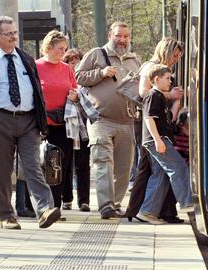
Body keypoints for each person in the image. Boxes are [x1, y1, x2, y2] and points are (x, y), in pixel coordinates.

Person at [0, 16, 60, 229]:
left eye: (15, 33)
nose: (14, 37)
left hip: (28, 121)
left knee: (33, 166)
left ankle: (44, 210)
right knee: (2, 170)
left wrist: (39, 120)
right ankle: (6, 216)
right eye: (8, 34)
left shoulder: (26, 59)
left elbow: (36, 92)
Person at [75, 22, 140, 219]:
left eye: (126, 36)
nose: (122, 40)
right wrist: (101, 73)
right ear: (111, 34)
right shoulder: (96, 54)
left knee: (124, 167)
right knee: (103, 162)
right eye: (119, 35)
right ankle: (105, 206)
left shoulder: (134, 59)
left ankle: (116, 204)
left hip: (127, 121)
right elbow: (78, 76)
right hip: (101, 119)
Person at [125, 37, 185, 223]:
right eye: (174, 55)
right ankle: (142, 209)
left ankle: (158, 210)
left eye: (178, 57)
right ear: (165, 51)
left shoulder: (166, 71)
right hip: (149, 125)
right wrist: (172, 94)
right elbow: (144, 93)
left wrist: (175, 103)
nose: (176, 59)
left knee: (157, 169)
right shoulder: (151, 67)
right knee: (149, 168)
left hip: (161, 124)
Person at [136, 64, 193, 225]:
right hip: (158, 140)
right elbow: (148, 118)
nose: (170, 82)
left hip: (156, 140)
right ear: (156, 79)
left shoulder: (158, 95)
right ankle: (186, 202)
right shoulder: (154, 95)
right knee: (179, 167)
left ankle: (147, 211)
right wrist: (158, 140)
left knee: (160, 175)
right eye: (167, 78)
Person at [36, 30, 78, 213]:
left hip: (62, 124)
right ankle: (37, 205)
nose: (63, 52)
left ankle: (55, 207)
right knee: (37, 165)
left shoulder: (67, 69)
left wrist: (75, 96)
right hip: (39, 125)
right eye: (60, 48)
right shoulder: (35, 67)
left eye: (65, 48)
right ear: (48, 47)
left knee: (58, 165)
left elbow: (75, 91)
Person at [62, 48, 91, 212]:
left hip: (83, 128)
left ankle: (84, 200)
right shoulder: (63, 79)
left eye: (77, 62)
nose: (74, 65)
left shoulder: (85, 83)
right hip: (66, 127)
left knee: (82, 164)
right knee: (65, 164)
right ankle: (66, 198)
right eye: (71, 62)